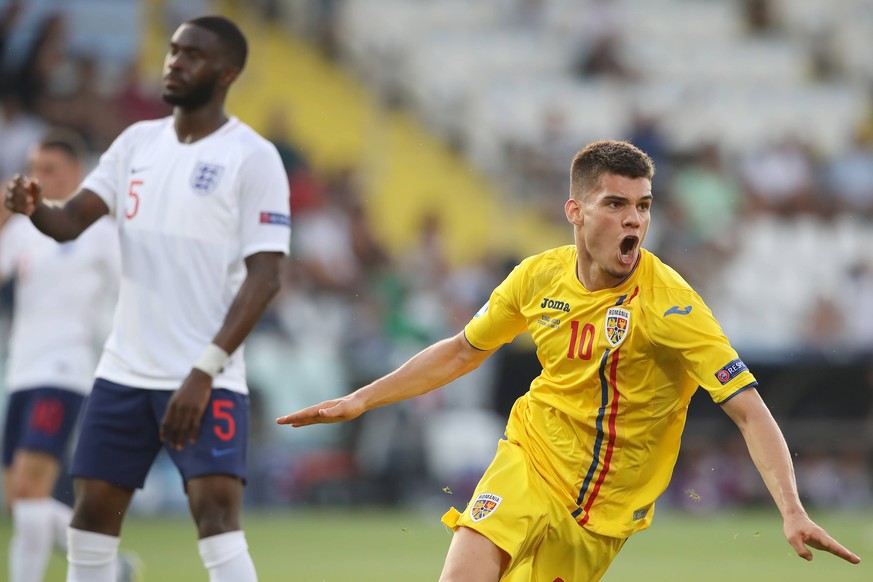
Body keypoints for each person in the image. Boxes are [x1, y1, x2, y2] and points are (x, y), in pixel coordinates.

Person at [276, 140, 861, 581]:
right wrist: (361, 398)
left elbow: (749, 411)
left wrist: (792, 509)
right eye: (615, 204)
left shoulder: (673, 305)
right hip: (531, 459)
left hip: (603, 512)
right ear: (575, 212)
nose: (634, 219)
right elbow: (462, 350)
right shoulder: (536, 277)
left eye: (643, 205)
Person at [4, 15, 290, 582]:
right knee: (90, 522)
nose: (175, 63)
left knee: (216, 515)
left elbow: (266, 278)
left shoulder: (252, 157)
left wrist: (204, 371)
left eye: (192, 56)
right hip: (124, 372)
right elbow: (69, 223)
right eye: (173, 51)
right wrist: (34, 208)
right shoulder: (135, 143)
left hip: (205, 375)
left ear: (227, 73)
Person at [1, 129, 122, 582]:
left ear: (76, 173)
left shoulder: (99, 232)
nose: (39, 178)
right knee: (20, 499)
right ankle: (110, 567)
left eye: (49, 169)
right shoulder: (19, 232)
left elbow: (130, 291)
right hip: (21, 370)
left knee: (32, 487)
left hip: (65, 368)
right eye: (34, 169)